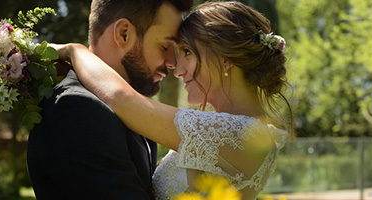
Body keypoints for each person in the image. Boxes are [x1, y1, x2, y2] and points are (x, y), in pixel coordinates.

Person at [52, 1, 293, 200]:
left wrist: (75, 51)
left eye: (186, 52)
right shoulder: (237, 130)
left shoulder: (241, 134)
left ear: (225, 58)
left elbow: (121, 99)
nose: (176, 70)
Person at [26, 0, 193, 199]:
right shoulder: (78, 109)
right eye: (165, 46)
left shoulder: (133, 112)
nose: (173, 63)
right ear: (124, 33)